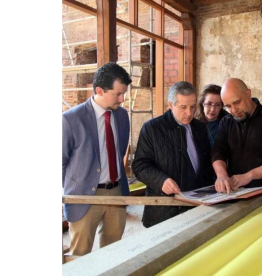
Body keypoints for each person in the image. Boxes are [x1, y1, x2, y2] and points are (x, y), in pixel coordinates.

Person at [62, 62, 132, 256]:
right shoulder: (70, 119)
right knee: (79, 255)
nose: (122, 99)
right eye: (117, 94)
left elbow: (119, 153)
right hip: (83, 196)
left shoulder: (122, 116)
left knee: (112, 254)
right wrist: (71, 190)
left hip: (116, 192)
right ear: (99, 90)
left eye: (124, 94)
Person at [132, 81, 215, 228]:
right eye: (183, 107)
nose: (189, 113)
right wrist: (161, 180)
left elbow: (207, 165)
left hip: (196, 207)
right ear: (170, 105)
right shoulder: (152, 128)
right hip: (164, 211)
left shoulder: (200, 128)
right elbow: (140, 165)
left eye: (192, 106)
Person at [212, 78, 262, 194]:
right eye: (228, 106)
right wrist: (221, 175)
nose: (234, 110)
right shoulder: (226, 122)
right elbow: (218, 151)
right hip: (235, 193)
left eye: (236, 102)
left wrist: (250, 175)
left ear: (248, 93)